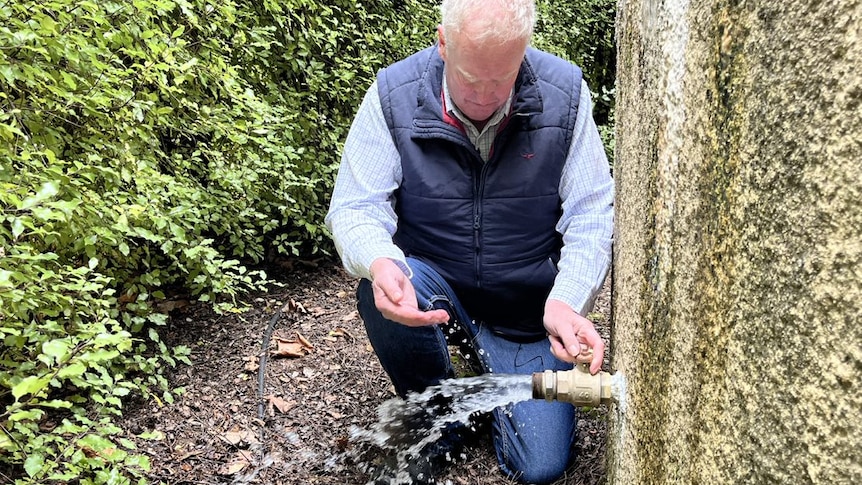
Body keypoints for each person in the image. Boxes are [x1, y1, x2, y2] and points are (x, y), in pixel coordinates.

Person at [325, 0, 614, 482]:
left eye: (500, 79)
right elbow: (355, 207)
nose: (483, 97)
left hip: (527, 316)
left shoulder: (566, 94)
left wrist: (566, 302)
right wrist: (378, 261)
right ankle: (442, 418)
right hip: (437, 290)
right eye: (469, 78)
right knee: (390, 283)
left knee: (541, 467)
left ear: (524, 52)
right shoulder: (393, 95)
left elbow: (591, 214)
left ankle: (486, 378)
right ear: (443, 43)